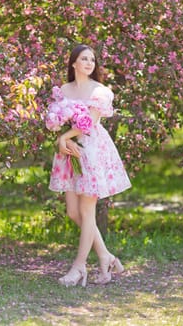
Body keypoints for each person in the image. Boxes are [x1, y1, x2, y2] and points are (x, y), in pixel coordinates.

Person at [47, 44, 131, 287]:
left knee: (87, 211)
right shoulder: (63, 90)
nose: (88, 63)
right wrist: (59, 132)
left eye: (92, 60)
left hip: (91, 151)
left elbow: (89, 123)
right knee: (73, 212)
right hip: (70, 152)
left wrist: (64, 137)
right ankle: (106, 257)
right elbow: (57, 120)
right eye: (83, 59)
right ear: (73, 63)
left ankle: (79, 267)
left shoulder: (100, 91)